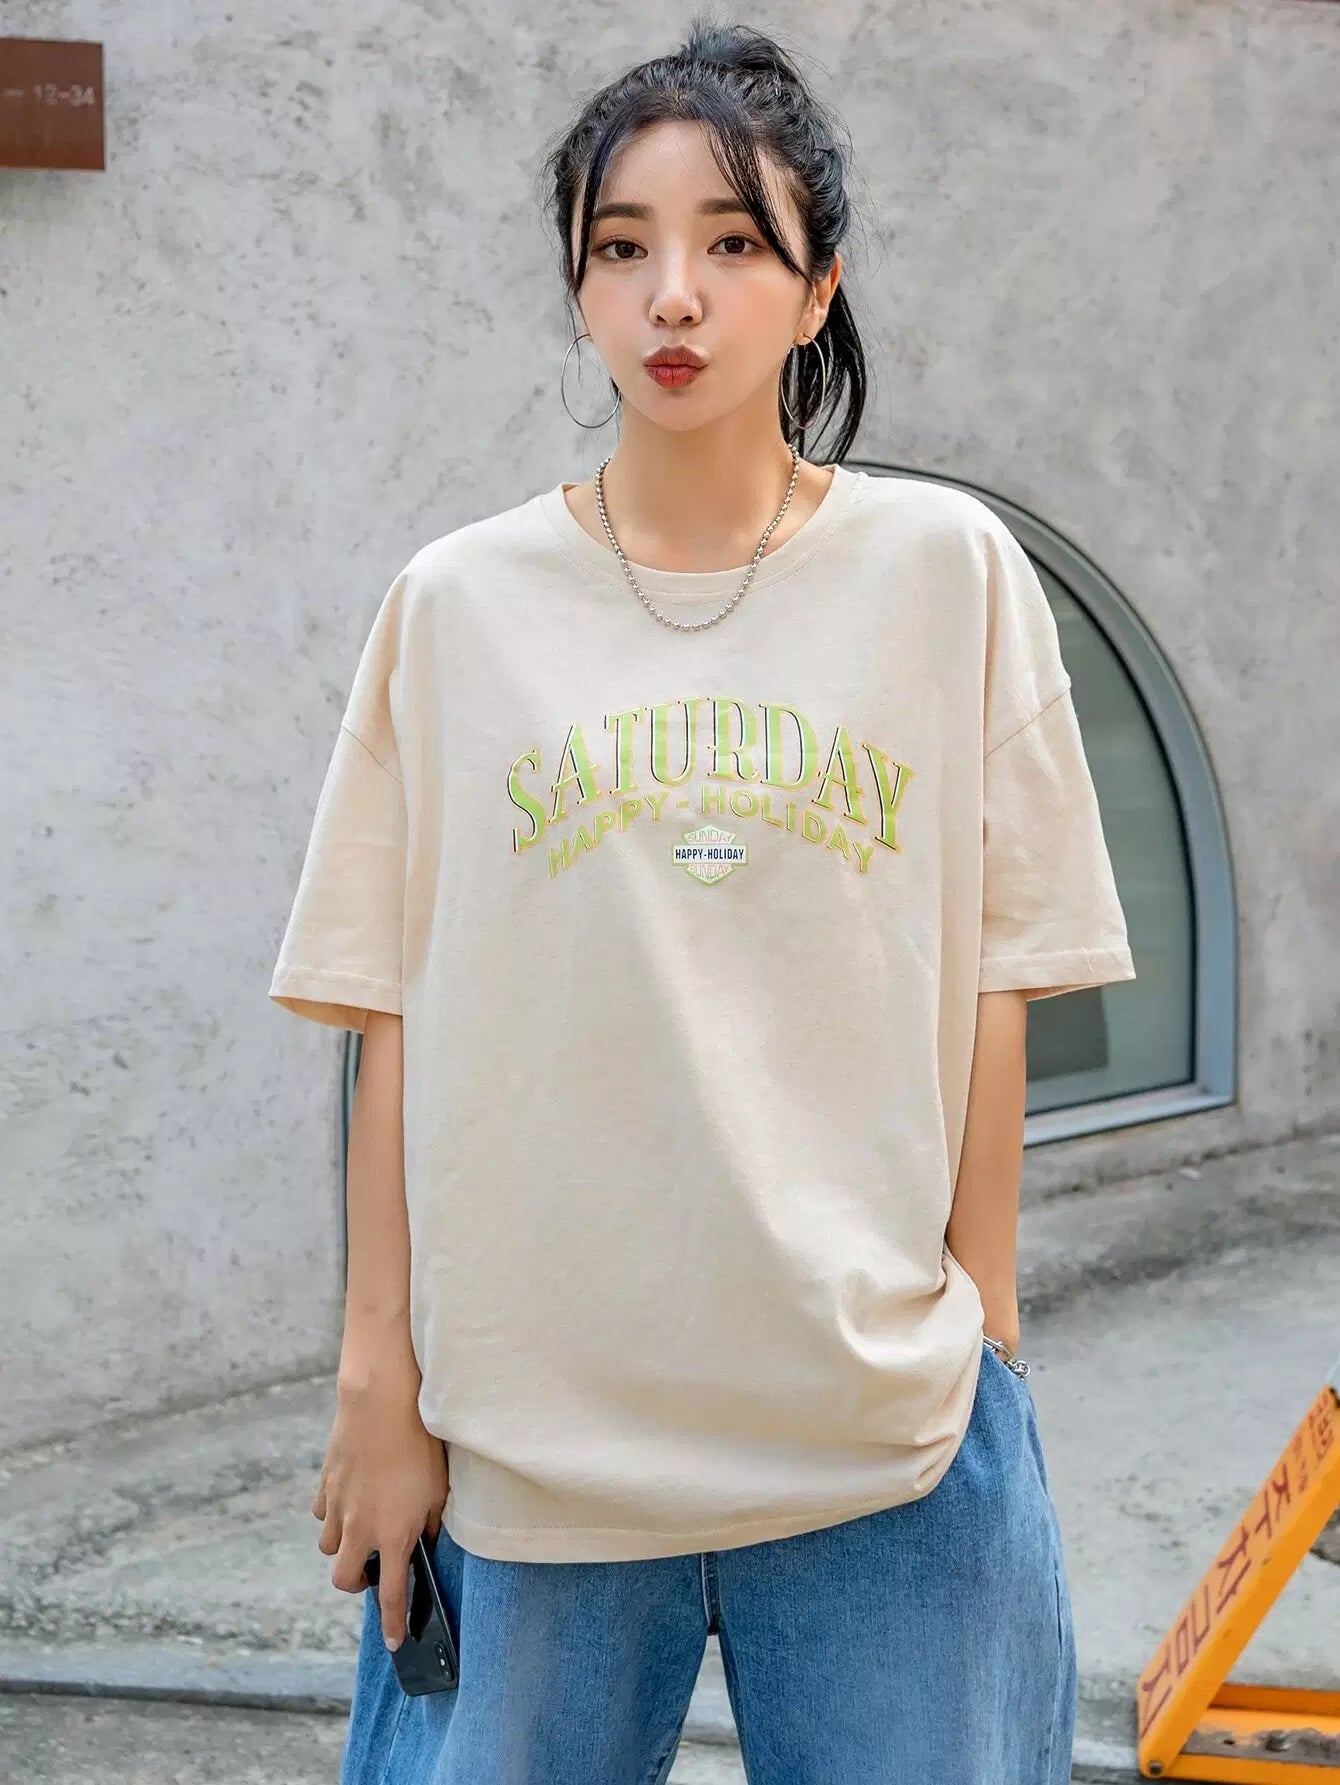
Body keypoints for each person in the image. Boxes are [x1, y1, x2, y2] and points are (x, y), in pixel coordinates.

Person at [268, 16, 1135, 1783]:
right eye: (623, 246)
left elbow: (1005, 971)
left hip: (884, 1437)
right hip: (535, 1448)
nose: (674, 294)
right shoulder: (457, 606)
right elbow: (392, 1010)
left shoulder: (949, 573)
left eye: (734, 242)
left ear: (818, 293)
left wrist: (983, 1326)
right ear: (579, 289)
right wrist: (380, 1381)